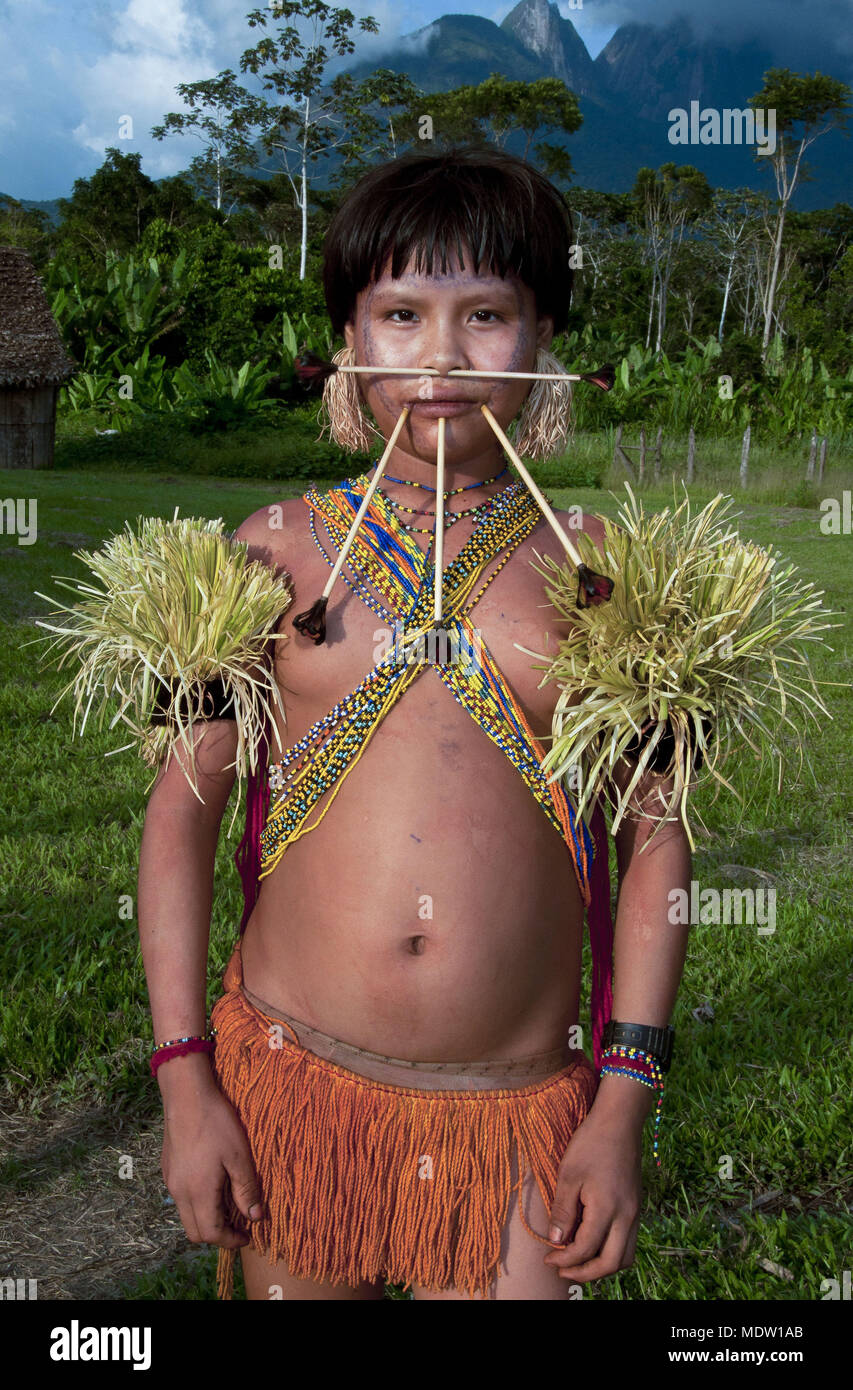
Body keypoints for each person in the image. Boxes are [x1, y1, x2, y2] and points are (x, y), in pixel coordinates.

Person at [138, 147, 692, 1301]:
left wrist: (622, 1100)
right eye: (401, 314)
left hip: (513, 1109)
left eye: (484, 315)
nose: (440, 356)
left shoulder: (611, 575)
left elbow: (657, 841)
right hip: (292, 1085)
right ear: (349, 336)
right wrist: (188, 1083)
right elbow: (181, 818)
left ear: (543, 340)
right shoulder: (267, 552)